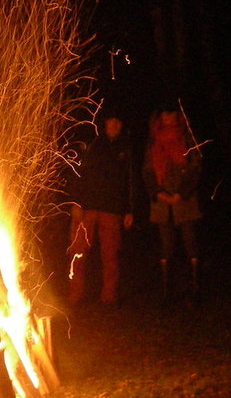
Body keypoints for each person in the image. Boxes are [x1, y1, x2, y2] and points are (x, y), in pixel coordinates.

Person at [65, 116, 138, 310]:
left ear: (121, 125)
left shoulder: (126, 148)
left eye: (117, 122)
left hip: (112, 209)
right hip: (87, 207)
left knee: (110, 255)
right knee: (78, 252)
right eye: (110, 122)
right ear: (104, 124)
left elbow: (130, 179)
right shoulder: (93, 144)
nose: (114, 125)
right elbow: (79, 174)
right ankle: (75, 294)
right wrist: (76, 203)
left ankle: (109, 297)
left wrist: (130, 209)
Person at [143, 107, 204, 305]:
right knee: (166, 246)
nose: (168, 118)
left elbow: (196, 167)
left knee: (190, 243)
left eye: (171, 114)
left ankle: (195, 291)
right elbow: (147, 169)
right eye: (164, 114)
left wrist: (181, 193)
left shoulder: (187, 138)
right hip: (162, 201)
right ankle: (166, 292)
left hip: (184, 200)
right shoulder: (153, 140)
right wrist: (157, 192)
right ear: (159, 116)